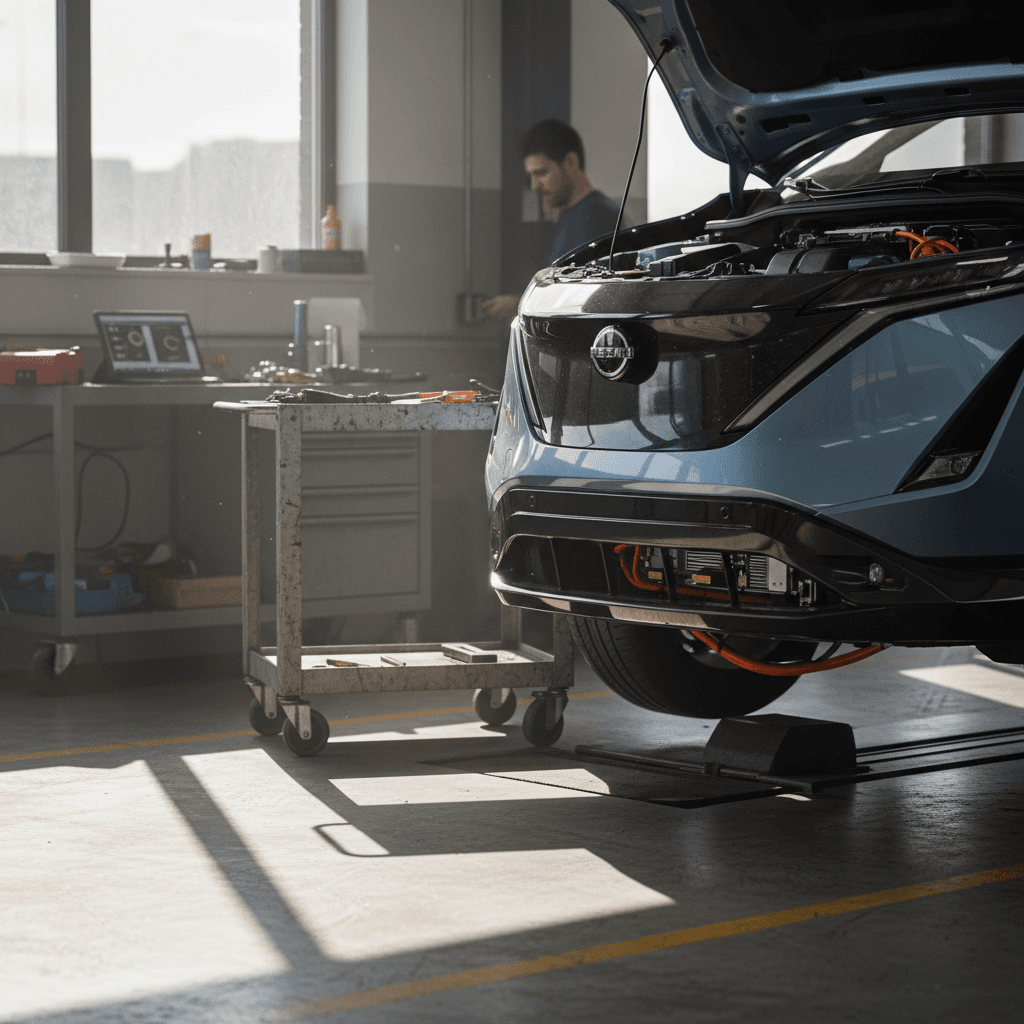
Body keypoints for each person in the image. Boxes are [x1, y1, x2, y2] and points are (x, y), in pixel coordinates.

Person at [483, 119, 622, 320]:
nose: (534, 186)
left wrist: (518, 305)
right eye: (531, 175)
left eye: (541, 173)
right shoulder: (572, 216)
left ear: (571, 163)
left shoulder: (595, 217)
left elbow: (583, 300)